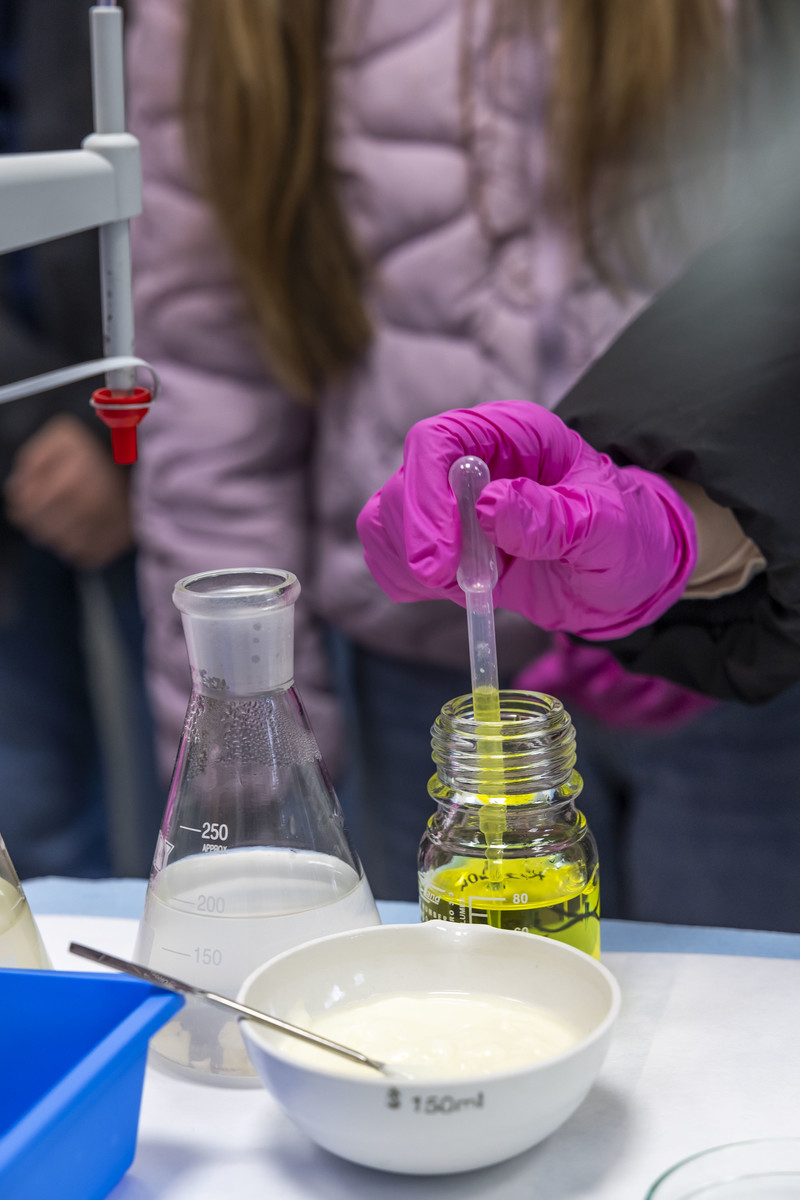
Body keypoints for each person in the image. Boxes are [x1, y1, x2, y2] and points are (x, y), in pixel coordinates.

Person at [126, 0, 794, 914]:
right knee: (460, 993)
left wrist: (707, 527)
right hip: (419, 668)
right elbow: (212, 371)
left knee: (731, 994)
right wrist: (247, 745)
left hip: (739, 648)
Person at [0, 0, 160, 878]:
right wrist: (30, 421)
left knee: (208, 794)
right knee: (34, 831)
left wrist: (127, 430)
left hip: (180, 445)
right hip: (22, 441)